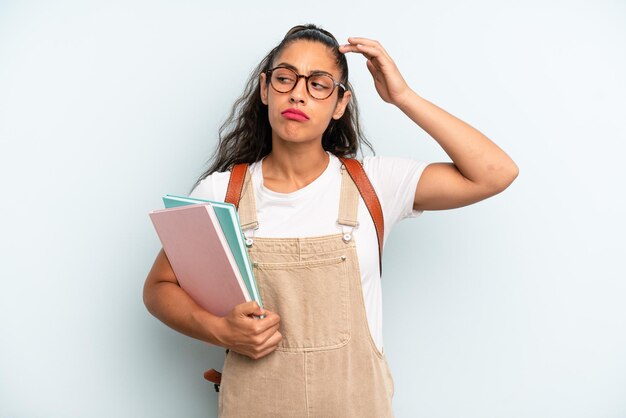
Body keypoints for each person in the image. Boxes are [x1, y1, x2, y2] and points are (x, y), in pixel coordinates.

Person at [143, 24, 518, 418]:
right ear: (266, 89)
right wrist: (221, 331)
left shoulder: (374, 184)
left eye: (319, 84)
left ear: (340, 104)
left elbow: (494, 172)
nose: (298, 93)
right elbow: (158, 288)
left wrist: (402, 97)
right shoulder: (221, 193)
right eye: (285, 78)